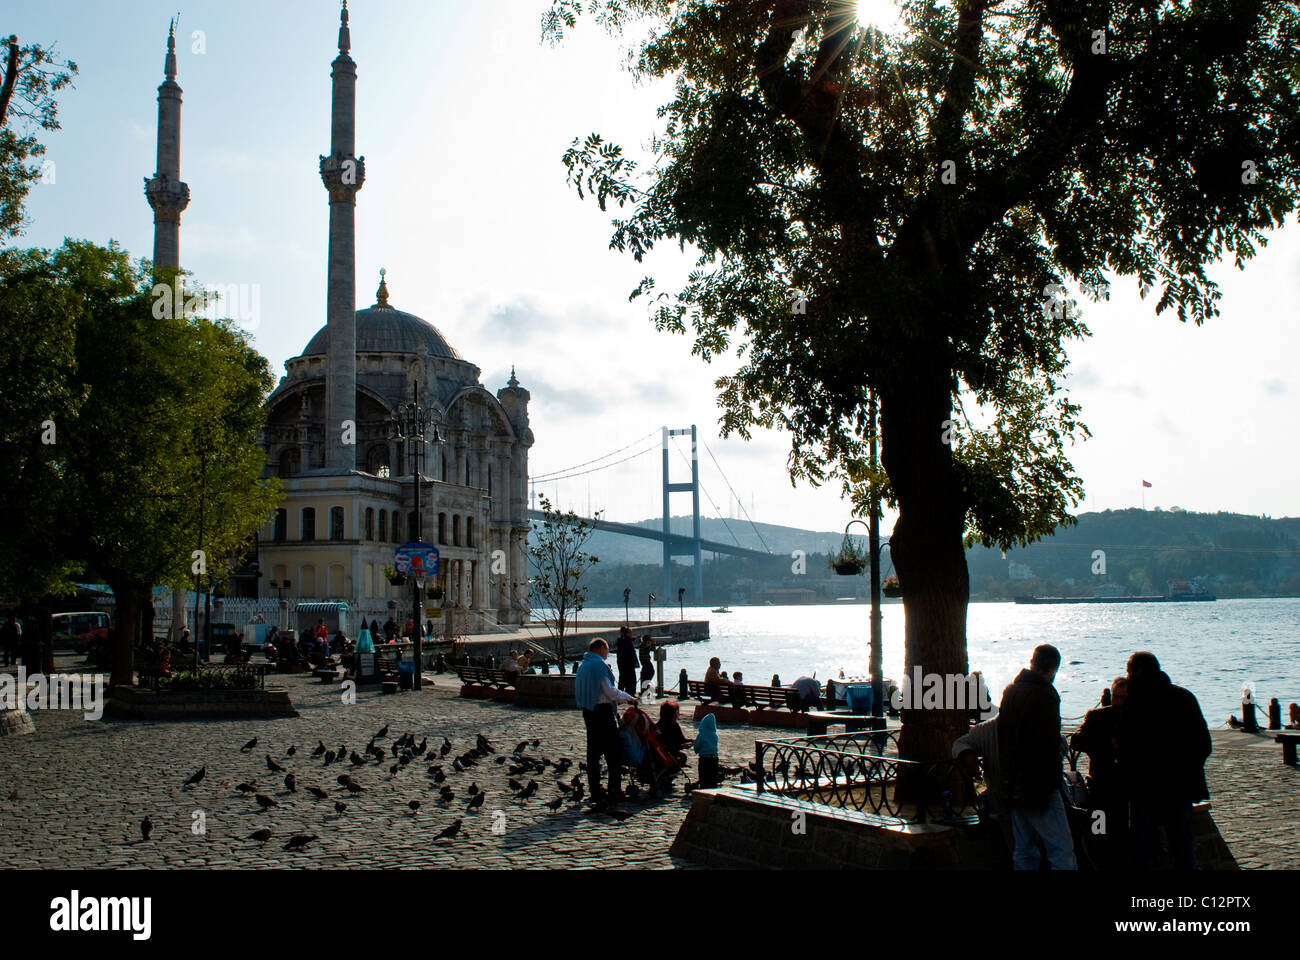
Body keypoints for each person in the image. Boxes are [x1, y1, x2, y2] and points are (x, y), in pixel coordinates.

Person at [1119, 651, 1210, 870]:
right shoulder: (1184, 697)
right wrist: (1188, 769)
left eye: (1129, 670)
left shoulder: (1135, 702)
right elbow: (1203, 744)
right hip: (1180, 788)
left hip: (1145, 789)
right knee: (1184, 850)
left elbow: (1126, 747)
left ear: (1137, 671)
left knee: (1144, 853)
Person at [997, 644, 1077, 870]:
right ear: (1053, 669)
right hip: (1039, 787)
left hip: (1013, 784)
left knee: (1023, 850)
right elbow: (1046, 744)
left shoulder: (1011, 691)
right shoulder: (1045, 694)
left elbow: (1004, 736)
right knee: (1061, 849)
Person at [1070, 677, 1130, 869]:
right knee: (1098, 832)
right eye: (1116, 697)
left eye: (1124, 698)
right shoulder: (1097, 716)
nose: (1119, 703)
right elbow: (1076, 740)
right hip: (1099, 790)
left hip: (1126, 791)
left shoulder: (1137, 718)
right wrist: (1106, 742)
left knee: (1122, 835)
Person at [576, 638, 636, 810]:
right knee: (613, 753)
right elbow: (609, 691)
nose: (608, 653)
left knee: (593, 753)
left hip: (588, 712)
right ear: (601, 648)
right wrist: (628, 697)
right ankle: (614, 789)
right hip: (602, 712)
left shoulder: (583, 666)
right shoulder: (599, 665)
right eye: (607, 649)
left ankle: (595, 790)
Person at [952, 715, 1014, 855]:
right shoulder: (988, 729)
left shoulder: (989, 728)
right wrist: (967, 755)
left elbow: (959, 744)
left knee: (1023, 848)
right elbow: (959, 744)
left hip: (1006, 799)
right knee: (1057, 845)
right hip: (1032, 798)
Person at [657, 700, 692, 767]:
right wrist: (682, 746)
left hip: (666, 753)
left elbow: (681, 740)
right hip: (667, 754)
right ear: (672, 714)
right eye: (677, 712)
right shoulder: (669, 727)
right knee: (682, 757)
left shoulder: (659, 726)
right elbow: (670, 746)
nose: (678, 714)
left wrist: (691, 741)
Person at [693, 712, 720, 788]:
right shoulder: (715, 735)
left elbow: (696, 748)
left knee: (704, 778)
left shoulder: (702, 735)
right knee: (713, 778)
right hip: (714, 759)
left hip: (704, 760)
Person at [616, 626, 638, 696]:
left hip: (622, 663)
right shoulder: (627, 641)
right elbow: (630, 653)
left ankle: (621, 693)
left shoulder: (621, 640)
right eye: (631, 633)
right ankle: (630, 694)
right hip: (628, 664)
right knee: (631, 680)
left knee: (622, 679)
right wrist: (634, 662)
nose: (632, 634)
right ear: (628, 633)